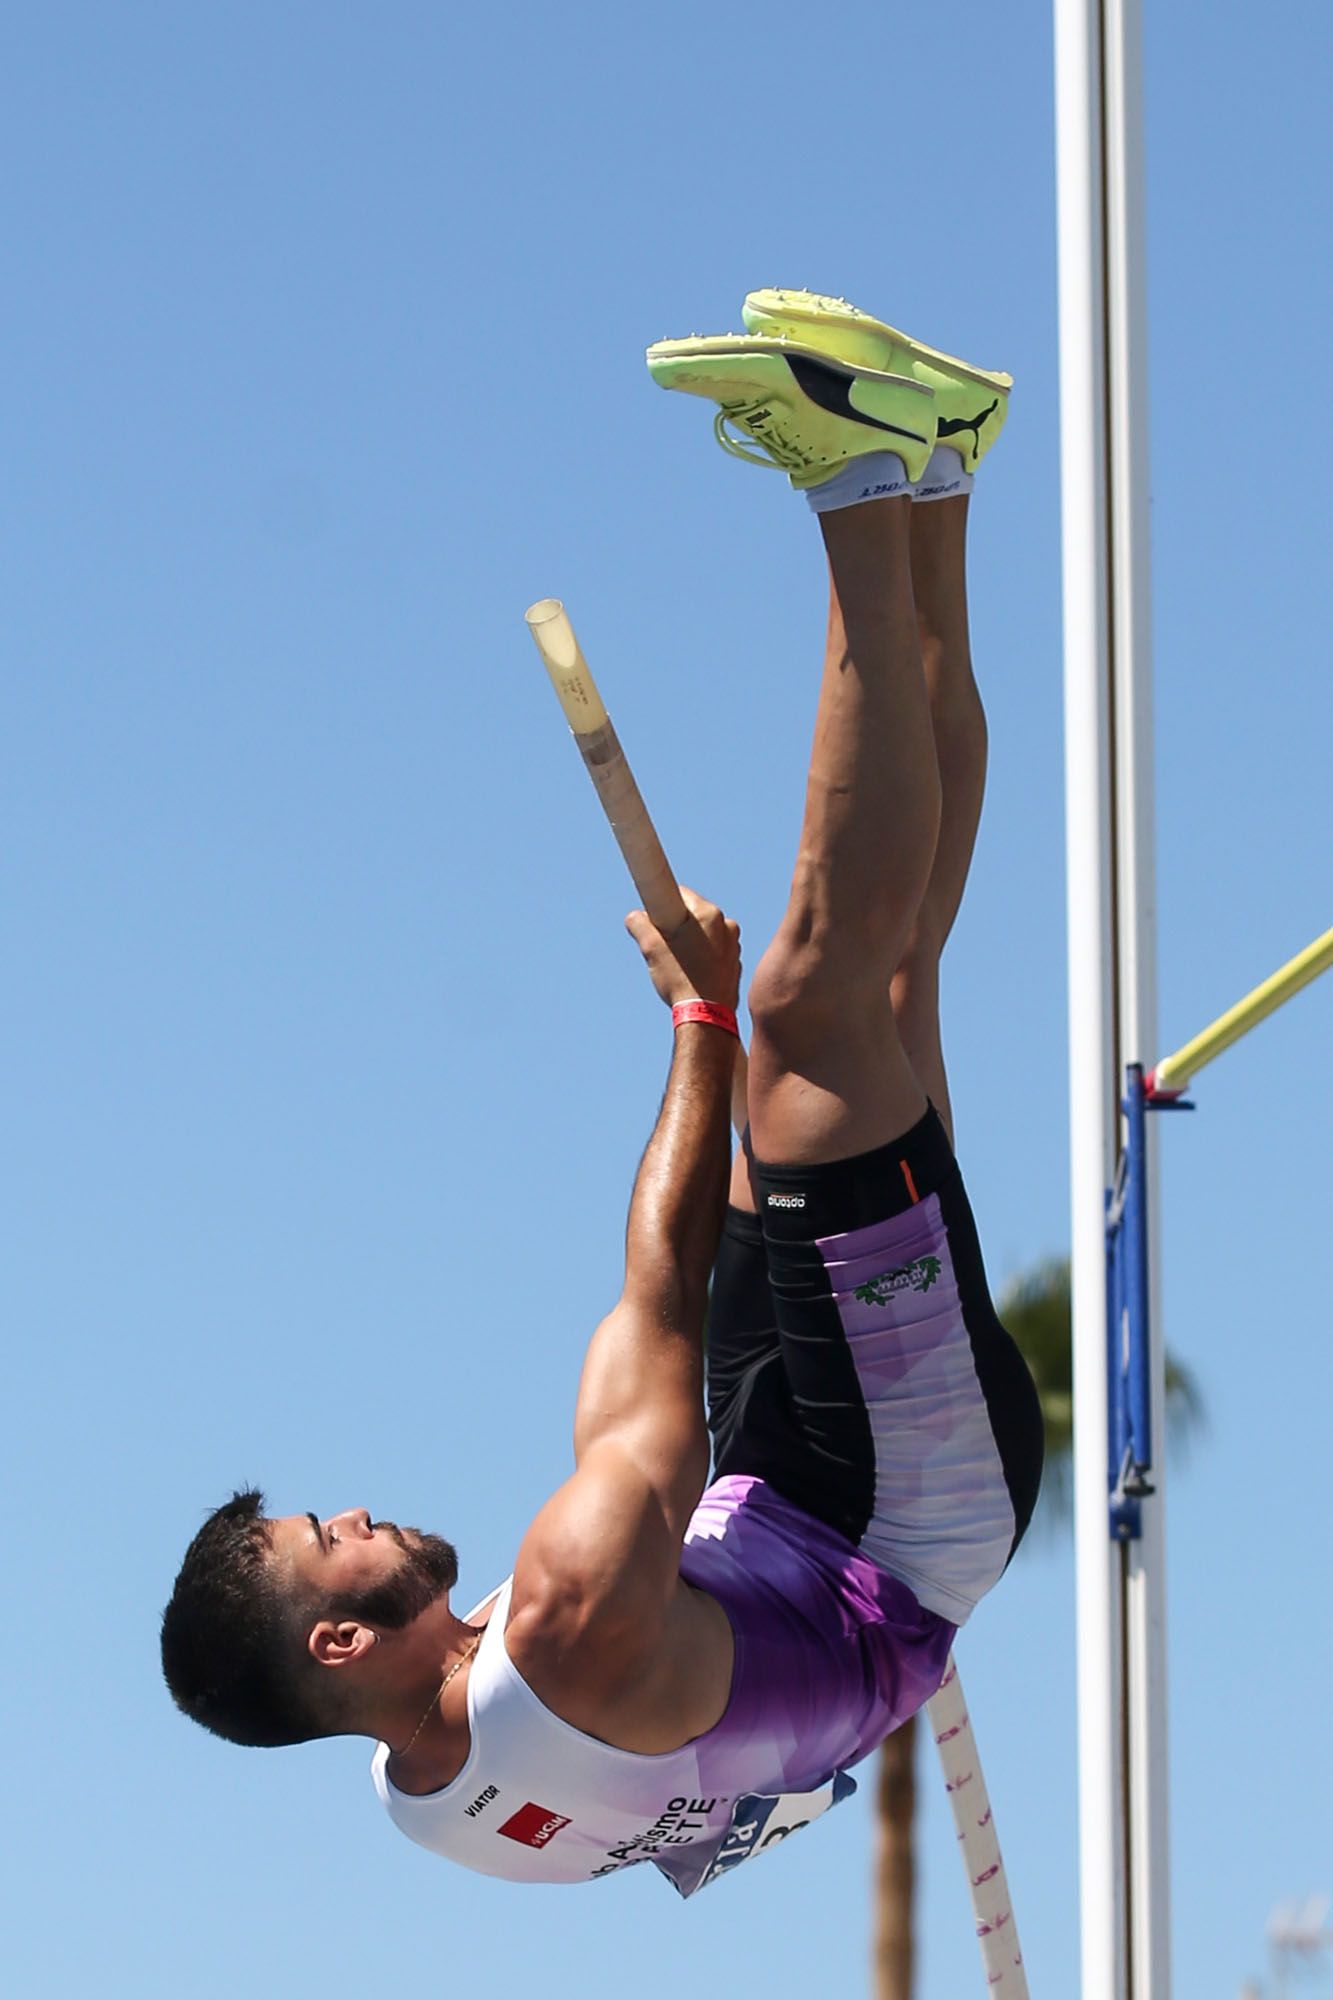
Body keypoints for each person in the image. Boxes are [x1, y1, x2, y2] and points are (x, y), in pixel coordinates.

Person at [161, 288, 1043, 1898]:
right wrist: (706, 1021)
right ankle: (859, 469)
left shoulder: (430, 1810)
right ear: (343, 1634)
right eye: (322, 1540)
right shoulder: (562, 1603)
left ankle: (939, 472)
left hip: (762, 1507)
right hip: (898, 1515)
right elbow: (654, 1308)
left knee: (889, 997)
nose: (349, 1507)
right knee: (815, 1004)